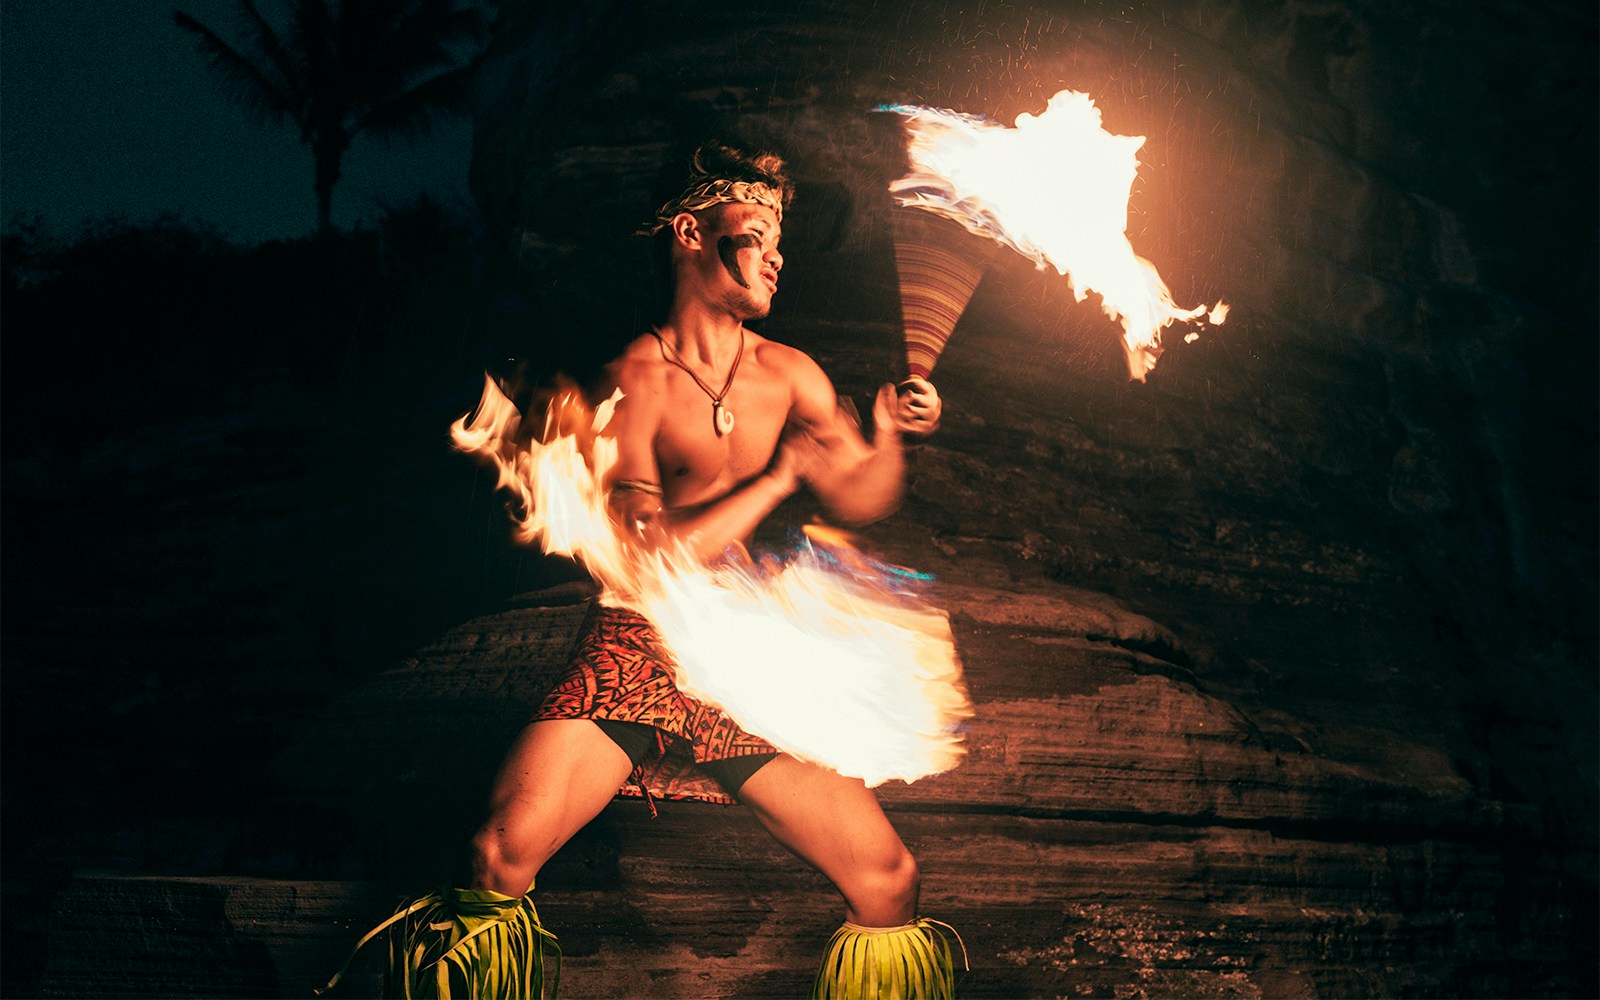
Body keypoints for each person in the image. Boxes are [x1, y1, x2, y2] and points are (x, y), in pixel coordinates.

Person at [329, 143, 958, 999]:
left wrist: (890, 435)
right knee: (497, 852)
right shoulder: (634, 380)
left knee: (888, 877)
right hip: (637, 644)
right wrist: (777, 477)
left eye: (783, 234)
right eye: (759, 231)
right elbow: (653, 551)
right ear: (692, 231)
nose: (779, 252)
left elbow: (861, 494)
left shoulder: (790, 372)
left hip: (742, 653)